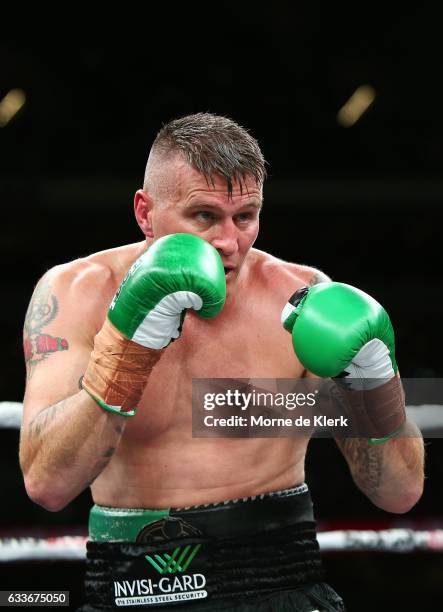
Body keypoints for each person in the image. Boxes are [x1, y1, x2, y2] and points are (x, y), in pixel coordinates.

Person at [20, 112, 424, 611]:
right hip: (128, 590)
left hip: (280, 587)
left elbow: (400, 493)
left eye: (246, 216)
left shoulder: (299, 300)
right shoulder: (77, 294)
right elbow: (46, 484)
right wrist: (129, 348)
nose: (229, 243)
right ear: (145, 213)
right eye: (204, 216)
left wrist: (374, 385)